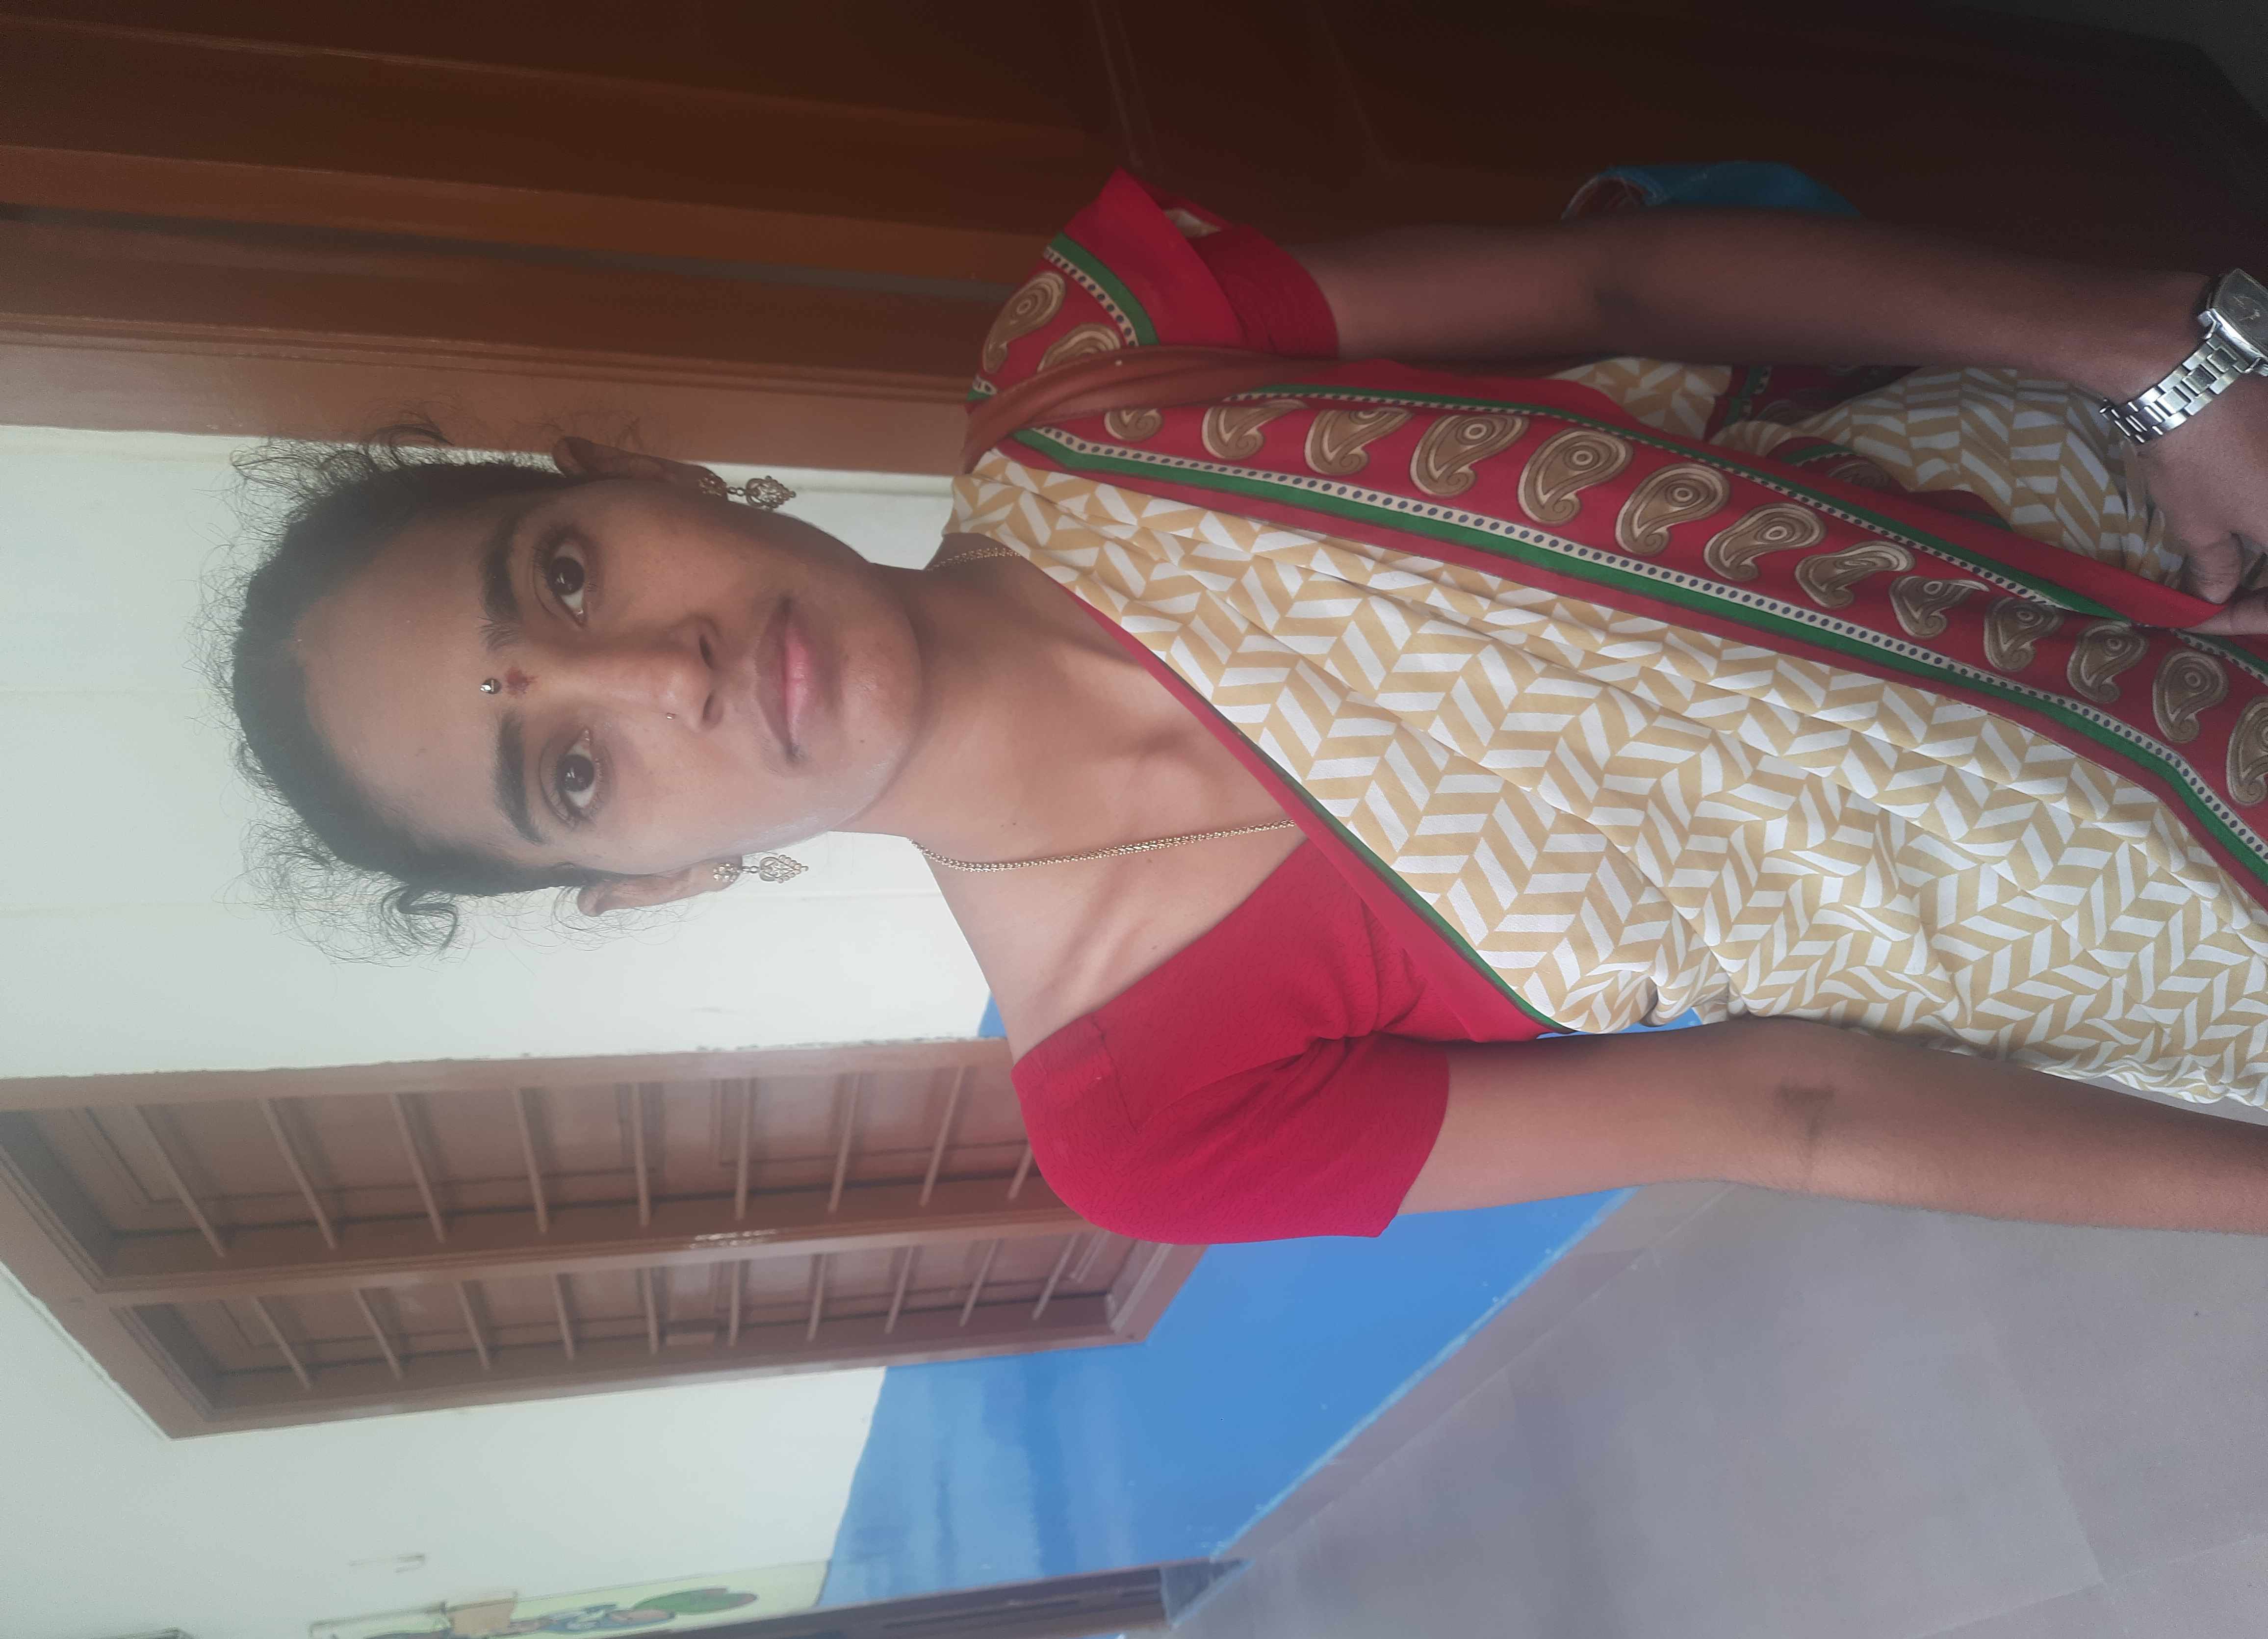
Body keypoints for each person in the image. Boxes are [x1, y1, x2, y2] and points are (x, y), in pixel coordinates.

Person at [225, 170, 2268, 1245]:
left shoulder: (1101, 362)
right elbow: (1785, 1110)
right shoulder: (1151, 1114)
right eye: (572, 769)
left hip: (2157, 486)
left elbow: (1624, 290)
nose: (658, 673)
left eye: (565, 577)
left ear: (650, 480)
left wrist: (2156, 356)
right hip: (2199, 940)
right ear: (646, 885)